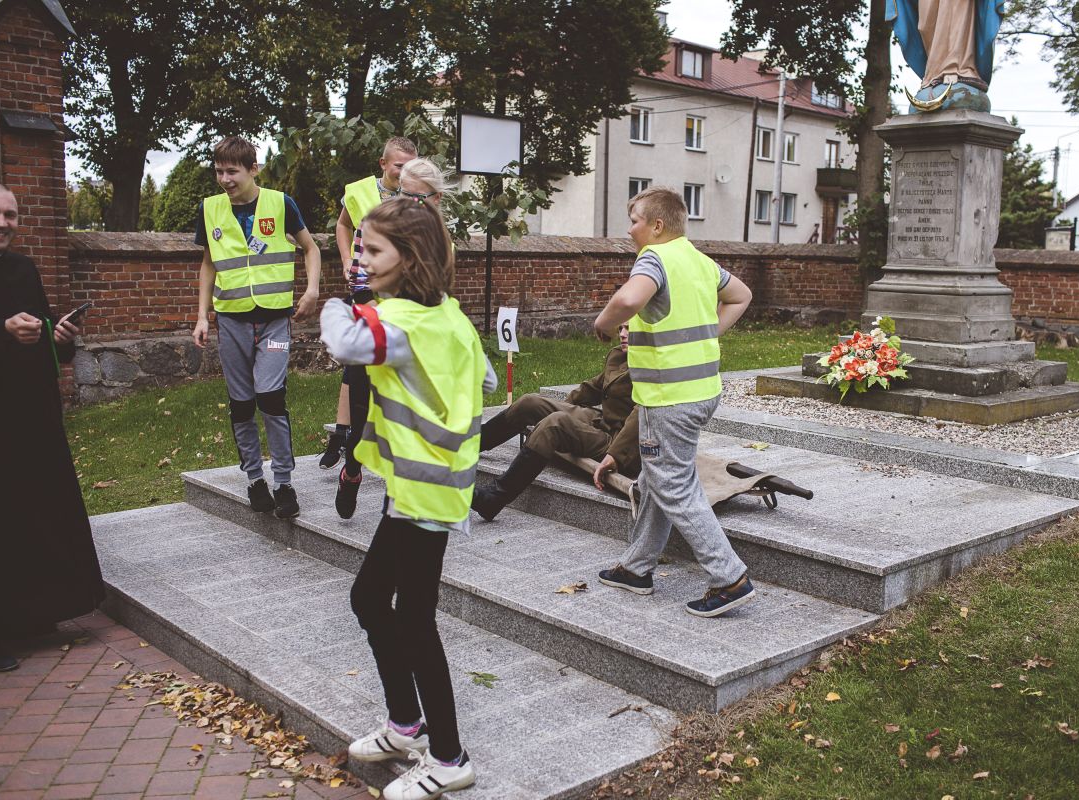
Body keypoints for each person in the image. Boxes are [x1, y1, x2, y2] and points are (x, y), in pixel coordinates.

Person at [320, 197, 493, 800]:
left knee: (415, 619)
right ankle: (405, 725)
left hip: (426, 493)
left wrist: (340, 300)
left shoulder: (400, 324)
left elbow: (344, 343)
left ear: (410, 257)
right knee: (370, 597)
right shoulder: (447, 315)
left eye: (372, 250)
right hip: (424, 488)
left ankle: (449, 758)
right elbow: (485, 377)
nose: (360, 260)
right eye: (359, 249)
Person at [594, 187, 755, 618]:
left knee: (673, 484)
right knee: (658, 476)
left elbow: (629, 299)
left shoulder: (654, 258)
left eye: (634, 221)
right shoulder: (699, 261)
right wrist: (709, 333)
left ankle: (730, 577)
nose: (630, 230)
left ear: (657, 225)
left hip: (670, 398)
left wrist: (603, 324)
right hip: (701, 392)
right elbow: (741, 295)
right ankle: (636, 567)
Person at [0, 183, 104, 671]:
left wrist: (60, 335)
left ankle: (32, 615)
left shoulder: (23, 268)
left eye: (11, 215)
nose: (3, 223)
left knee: (33, 514)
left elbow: (45, 338)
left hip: (30, 415)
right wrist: (2, 330)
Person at [191, 136, 321, 519]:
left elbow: (311, 248)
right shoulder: (210, 209)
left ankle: (284, 482)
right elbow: (208, 264)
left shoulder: (281, 204)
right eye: (219, 171)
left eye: (232, 171)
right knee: (242, 404)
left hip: (275, 321)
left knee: (271, 397)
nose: (225, 179)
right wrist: (201, 316)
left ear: (253, 169)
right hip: (231, 320)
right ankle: (254, 479)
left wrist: (312, 290)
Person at [333, 157, 453, 519]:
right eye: (401, 193)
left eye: (415, 198)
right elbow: (359, 283)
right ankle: (352, 471)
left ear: (435, 200)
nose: (404, 203)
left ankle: (396, 505)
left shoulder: (442, 243)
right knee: (361, 424)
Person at [472, 323, 640, 521]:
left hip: (622, 443)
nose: (622, 334)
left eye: (629, 329)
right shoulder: (619, 356)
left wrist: (614, 456)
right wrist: (561, 407)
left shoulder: (654, 367)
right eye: (620, 328)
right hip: (604, 422)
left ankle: (494, 498)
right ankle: (470, 446)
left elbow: (643, 413)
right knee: (529, 403)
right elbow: (594, 388)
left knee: (554, 424)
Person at [320, 136, 419, 471]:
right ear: (383, 164)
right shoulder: (361, 191)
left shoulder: (415, 194)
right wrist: (346, 259)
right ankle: (344, 435)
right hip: (365, 285)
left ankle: (368, 435)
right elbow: (343, 225)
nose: (404, 173)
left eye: (411, 167)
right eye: (399, 166)